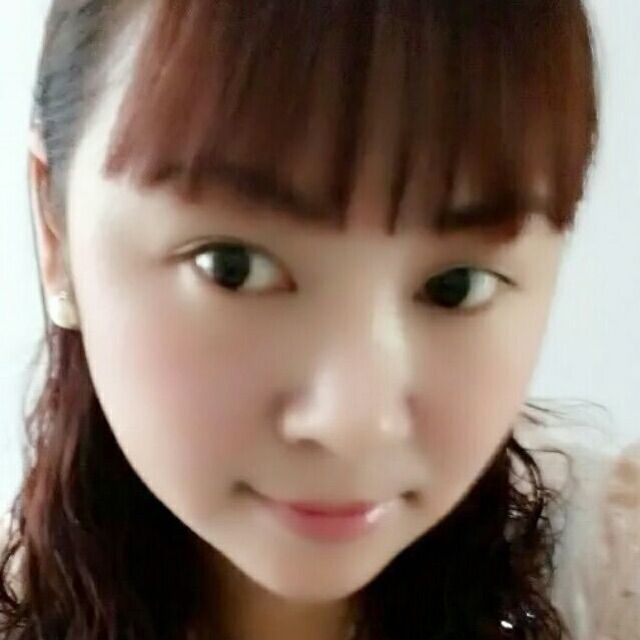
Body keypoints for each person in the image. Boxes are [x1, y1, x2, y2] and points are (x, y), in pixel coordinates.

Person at [0, 1, 638, 638]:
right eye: (233, 267)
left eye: (455, 287)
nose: (352, 424)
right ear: (56, 232)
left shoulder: (614, 583)